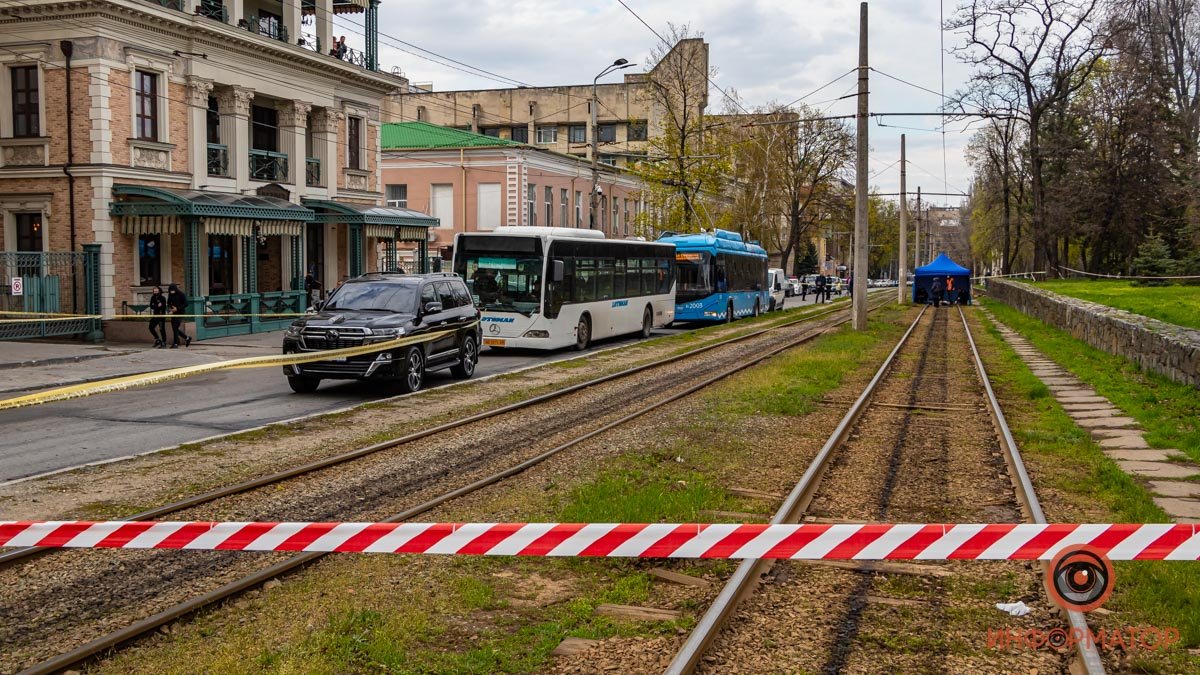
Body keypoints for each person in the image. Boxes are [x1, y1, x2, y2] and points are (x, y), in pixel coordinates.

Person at [167, 283, 191, 348]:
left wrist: (177, 308)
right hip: (173, 313)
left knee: (175, 328)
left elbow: (186, 304)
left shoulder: (181, 294)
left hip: (180, 312)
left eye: (173, 290)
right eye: (170, 290)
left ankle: (176, 343)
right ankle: (187, 338)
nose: (172, 292)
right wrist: (170, 309)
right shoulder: (170, 295)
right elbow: (168, 303)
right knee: (174, 328)